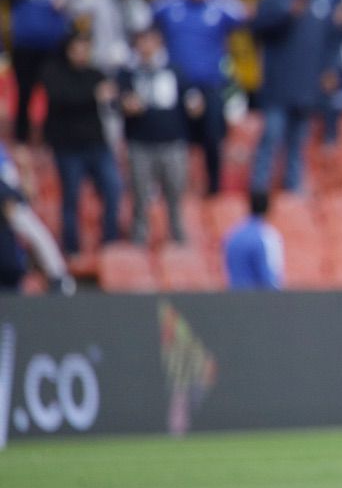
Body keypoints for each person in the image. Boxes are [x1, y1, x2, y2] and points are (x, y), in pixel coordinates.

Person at [250, 0, 342, 193]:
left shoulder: (320, 1)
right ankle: (259, 190)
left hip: (306, 87)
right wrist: (285, 14)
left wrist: (330, 70)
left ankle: (293, 192)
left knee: (298, 144)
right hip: (277, 87)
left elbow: (331, 41)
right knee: (270, 139)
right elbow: (256, 28)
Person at [152, 0, 249, 196]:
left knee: (213, 139)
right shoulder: (167, 6)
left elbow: (247, 18)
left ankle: (214, 189)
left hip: (212, 85)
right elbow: (145, 29)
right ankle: (174, 188)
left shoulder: (221, 7)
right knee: (174, 140)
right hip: (177, 86)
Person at [1, 0, 78, 145]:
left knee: (57, 92)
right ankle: (22, 142)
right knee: (24, 92)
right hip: (25, 39)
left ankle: (55, 141)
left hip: (54, 38)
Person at [119, 27, 201, 245]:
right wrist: (126, 105)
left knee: (175, 193)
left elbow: (190, 98)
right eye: (142, 42)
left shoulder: (174, 70)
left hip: (172, 141)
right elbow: (117, 101)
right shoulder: (128, 72)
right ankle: (139, 236)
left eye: (151, 42)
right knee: (139, 194)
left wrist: (195, 105)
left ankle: (178, 235)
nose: (146, 47)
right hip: (140, 142)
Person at [43, 33, 122, 254]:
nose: (82, 54)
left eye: (86, 48)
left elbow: (111, 104)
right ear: (68, 50)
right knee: (71, 198)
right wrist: (93, 95)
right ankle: (71, 249)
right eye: (78, 48)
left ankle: (110, 242)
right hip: (68, 147)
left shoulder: (95, 74)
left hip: (97, 145)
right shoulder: (54, 72)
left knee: (113, 189)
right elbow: (61, 98)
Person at [0, 142, 75, 294]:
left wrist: (26, 169)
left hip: (8, 205)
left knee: (31, 226)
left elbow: (25, 195)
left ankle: (58, 276)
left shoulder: (2, 152)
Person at [74, 0, 152, 76]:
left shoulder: (139, 3)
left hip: (129, 68)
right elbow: (74, 7)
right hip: (100, 64)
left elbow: (141, 26)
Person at [223, 190, 284, 289]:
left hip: (234, 298)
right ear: (268, 208)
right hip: (258, 300)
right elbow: (269, 277)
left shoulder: (233, 234)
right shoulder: (266, 235)